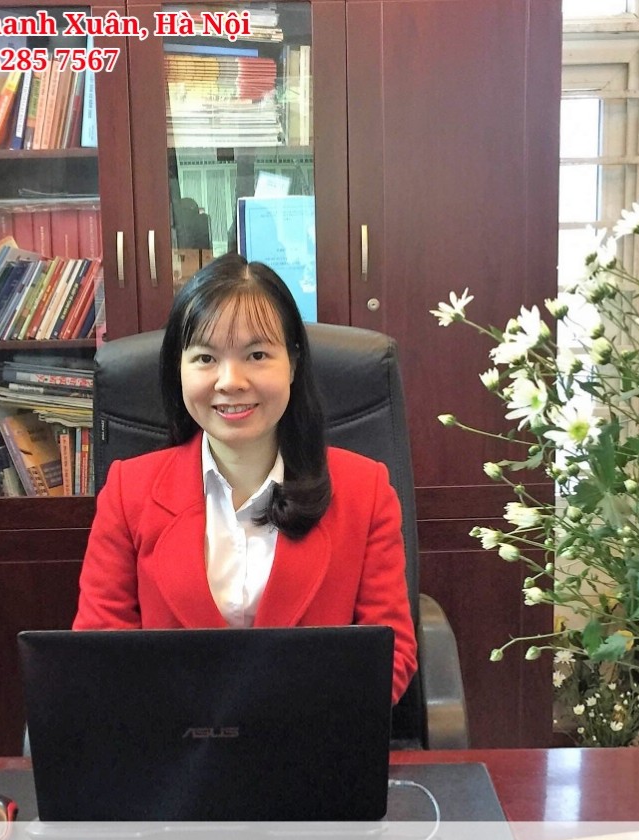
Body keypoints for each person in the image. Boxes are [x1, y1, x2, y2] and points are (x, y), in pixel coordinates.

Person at [73, 253, 418, 704]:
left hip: (311, 738)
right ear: (178, 368)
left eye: (257, 355)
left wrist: (283, 726)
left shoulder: (364, 491)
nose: (230, 381)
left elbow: (389, 654)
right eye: (205, 357)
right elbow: (100, 652)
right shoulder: (128, 492)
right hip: (172, 741)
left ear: (293, 362)